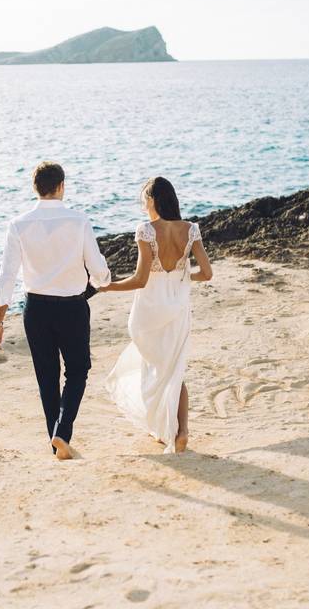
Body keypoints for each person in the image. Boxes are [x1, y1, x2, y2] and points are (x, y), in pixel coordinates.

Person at [0, 161, 111, 460]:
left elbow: (6, 276)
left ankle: (54, 438)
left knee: (47, 376)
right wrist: (103, 281)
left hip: (36, 309)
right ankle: (62, 432)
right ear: (61, 186)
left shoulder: (18, 225)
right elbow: (97, 269)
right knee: (78, 371)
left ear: (36, 189)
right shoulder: (78, 220)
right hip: (72, 307)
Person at [100, 176, 213, 453]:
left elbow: (140, 280)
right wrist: (184, 279)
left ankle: (163, 427)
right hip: (178, 310)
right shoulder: (191, 230)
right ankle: (181, 430)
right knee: (175, 370)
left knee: (155, 368)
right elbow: (207, 273)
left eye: (143, 200)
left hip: (149, 311)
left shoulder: (146, 231)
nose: (143, 205)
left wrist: (107, 287)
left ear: (152, 200)